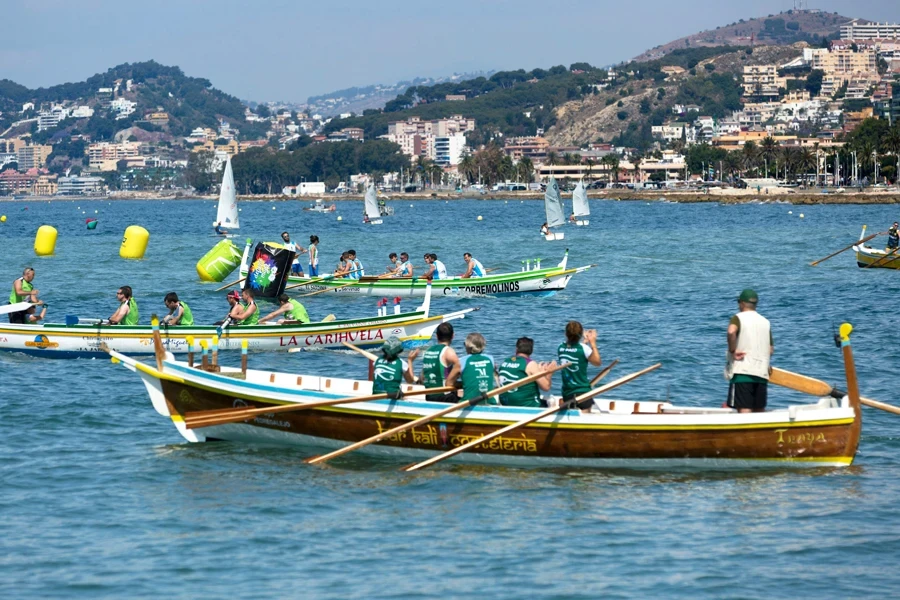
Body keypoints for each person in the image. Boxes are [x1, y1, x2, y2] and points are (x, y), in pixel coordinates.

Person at [725, 289, 774, 414]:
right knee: (759, 410)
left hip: (743, 373)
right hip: (761, 374)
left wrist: (732, 350)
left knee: (744, 409)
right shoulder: (765, 322)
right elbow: (770, 349)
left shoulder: (738, 318)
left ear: (741, 303)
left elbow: (731, 331)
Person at [498, 337, 557, 407]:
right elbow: (546, 387)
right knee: (552, 402)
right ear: (531, 351)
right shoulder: (531, 364)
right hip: (526, 405)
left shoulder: (505, 362)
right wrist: (549, 373)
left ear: (516, 349)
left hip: (506, 403)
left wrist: (539, 373)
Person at [557, 321, 602, 412]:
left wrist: (584, 343)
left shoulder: (560, 347)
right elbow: (597, 362)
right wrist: (593, 343)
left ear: (565, 333)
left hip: (567, 392)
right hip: (582, 391)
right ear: (581, 334)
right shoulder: (584, 349)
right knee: (585, 419)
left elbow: (575, 352)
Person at [419, 322, 461, 402]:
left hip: (428, 396)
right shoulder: (448, 351)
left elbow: (422, 376)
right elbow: (459, 366)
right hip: (444, 396)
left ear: (437, 336)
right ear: (453, 336)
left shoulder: (428, 351)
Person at [459, 332, 498, 404]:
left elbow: (449, 383)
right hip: (489, 401)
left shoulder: (461, 361)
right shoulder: (491, 359)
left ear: (468, 347)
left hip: (468, 403)